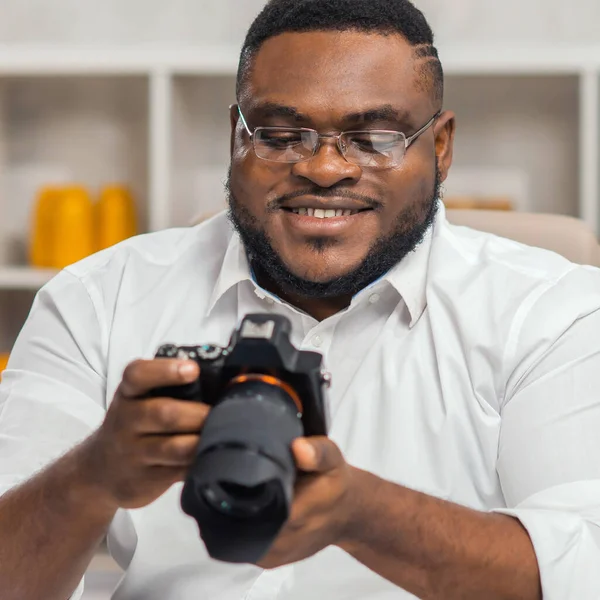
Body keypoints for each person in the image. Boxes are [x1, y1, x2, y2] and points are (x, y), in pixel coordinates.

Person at [1, 0, 599, 598]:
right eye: (283, 136)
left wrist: (362, 513)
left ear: (439, 146)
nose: (324, 167)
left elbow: (582, 570)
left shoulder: (552, 314)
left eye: (374, 138)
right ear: (237, 135)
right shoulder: (96, 302)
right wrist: (90, 477)